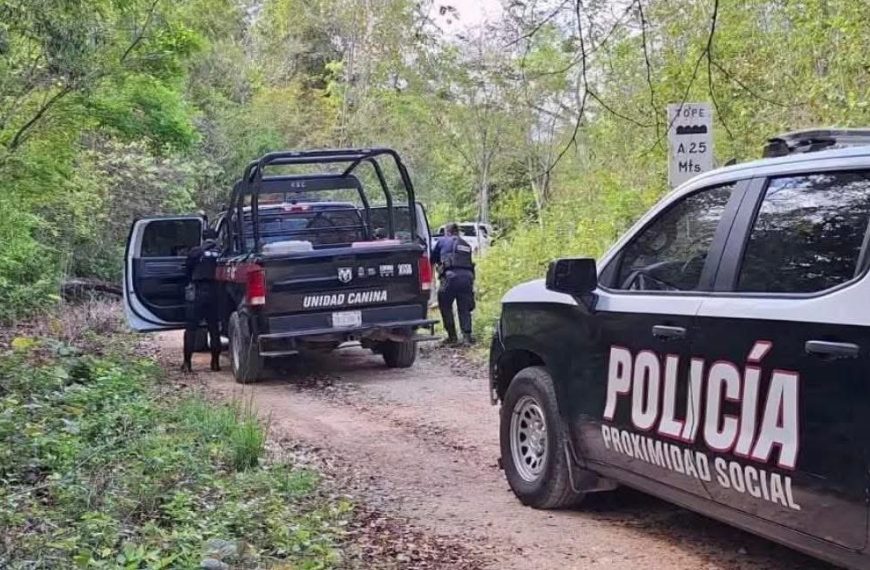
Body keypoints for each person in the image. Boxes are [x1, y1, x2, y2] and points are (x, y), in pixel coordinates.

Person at [183, 228, 222, 372]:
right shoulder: (221, 253)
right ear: (216, 237)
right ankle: (215, 363)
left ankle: (187, 364)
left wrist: (188, 283)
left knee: (191, 329)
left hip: (198, 292)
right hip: (215, 292)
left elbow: (187, 270)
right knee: (214, 329)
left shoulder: (196, 252)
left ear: (203, 238)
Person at [431, 222, 476, 345]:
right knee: (464, 308)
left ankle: (452, 337)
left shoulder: (442, 241)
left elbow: (432, 259)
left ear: (447, 232)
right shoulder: (466, 245)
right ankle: (467, 337)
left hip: (450, 277)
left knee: (445, 305)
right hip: (467, 278)